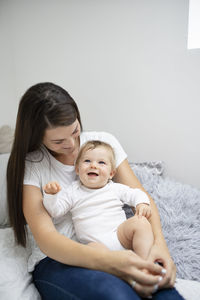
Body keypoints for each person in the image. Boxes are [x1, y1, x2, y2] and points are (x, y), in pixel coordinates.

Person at [7, 82, 184, 300]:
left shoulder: (103, 143)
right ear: (36, 136)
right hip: (58, 259)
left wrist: (159, 247)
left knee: (162, 290)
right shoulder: (33, 164)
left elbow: (139, 195)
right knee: (116, 296)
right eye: (58, 141)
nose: (72, 145)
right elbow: (46, 237)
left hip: (117, 244)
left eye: (75, 131)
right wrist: (109, 262)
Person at [43, 140, 154, 261]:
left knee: (141, 222)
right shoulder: (73, 191)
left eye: (101, 162)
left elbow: (135, 193)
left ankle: (144, 262)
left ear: (111, 173)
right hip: (95, 245)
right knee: (89, 250)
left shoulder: (114, 188)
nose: (93, 165)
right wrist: (51, 195)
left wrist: (141, 203)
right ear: (77, 169)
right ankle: (119, 266)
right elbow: (56, 211)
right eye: (87, 161)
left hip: (120, 235)